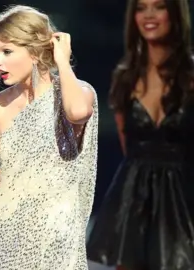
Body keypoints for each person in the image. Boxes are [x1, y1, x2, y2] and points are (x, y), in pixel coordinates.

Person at [0, 5, 98, 269]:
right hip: (6, 241)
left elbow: (78, 112)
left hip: (57, 241)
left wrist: (62, 60)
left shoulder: (76, 92)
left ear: (35, 51)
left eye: (6, 51)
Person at [86, 0, 194, 269]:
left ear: (175, 14)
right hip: (134, 197)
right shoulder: (125, 77)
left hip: (185, 197)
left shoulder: (191, 75)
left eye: (159, 7)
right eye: (141, 8)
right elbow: (128, 147)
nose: (149, 15)